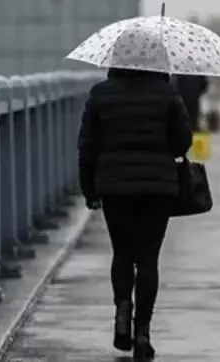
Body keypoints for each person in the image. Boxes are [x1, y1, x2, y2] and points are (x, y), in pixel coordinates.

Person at [77, 67, 192, 360]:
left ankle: (121, 312)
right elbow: (182, 142)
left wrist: (89, 190)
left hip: (114, 186)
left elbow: (87, 146)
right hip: (158, 187)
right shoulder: (167, 93)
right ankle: (142, 333)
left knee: (123, 253)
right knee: (148, 259)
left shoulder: (101, 94)